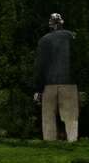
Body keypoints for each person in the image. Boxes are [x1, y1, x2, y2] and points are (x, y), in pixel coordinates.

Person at [33, 12, 78, 142]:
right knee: (71, 119)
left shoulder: (44, 40)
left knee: (48, 119)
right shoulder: (72, 37)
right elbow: (79, 61)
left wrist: (38, 88)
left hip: (49, 85)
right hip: (69, 83)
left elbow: (40, 65)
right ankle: (73, 143)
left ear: (50, 24)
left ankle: (49, 143)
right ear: (62, 22)